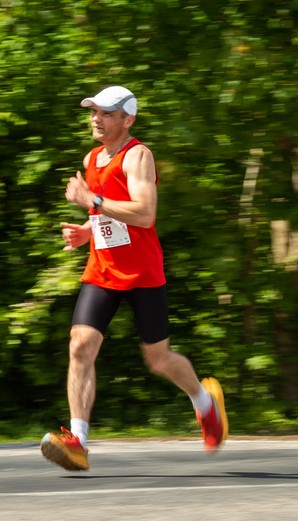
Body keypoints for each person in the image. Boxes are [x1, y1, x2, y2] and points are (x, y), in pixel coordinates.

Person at [40, 85, 227, 471]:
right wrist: (87, 230)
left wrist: (90, 200)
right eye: (94, 111)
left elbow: (143, 214)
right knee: (80, 345)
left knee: (158, 359)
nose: (96, 118)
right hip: (102, 270)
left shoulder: (138, 155)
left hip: (142, 273)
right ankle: (78, 442)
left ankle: (205, 403)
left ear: (128, 120)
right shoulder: (92, 158)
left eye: (106, 113)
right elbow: (107, 213)